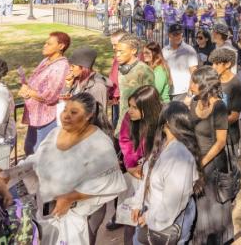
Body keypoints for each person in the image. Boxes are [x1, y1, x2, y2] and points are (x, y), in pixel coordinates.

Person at [24, 92, 126, 245]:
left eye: (73, 112)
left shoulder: (99, 143)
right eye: (65, 110)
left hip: (84, 214)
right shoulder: (55, 133)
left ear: (88, 116)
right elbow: (37, 159)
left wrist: (70, 197)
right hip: (51, 212)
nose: (65, 116)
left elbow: (109, 179)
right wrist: (9, 174)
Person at [130, 102, 200, 245]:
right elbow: (147, 178)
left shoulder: (180, 155)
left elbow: (173, 202)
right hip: (155, 212)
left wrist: (149, 217)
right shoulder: (163, 143)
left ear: (166, 121)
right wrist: (137, 203)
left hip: (168, 220)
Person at [188, 66, 234, 244]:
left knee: (214, 209)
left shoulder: (219, 106)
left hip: (213, 165)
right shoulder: (193, 101)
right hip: (197, 161)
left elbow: (221, 142)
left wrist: (202, 163)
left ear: (205, 85)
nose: (191, 84)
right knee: (200, 207)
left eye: (194, 81)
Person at [117, 85, 162, 244]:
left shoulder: (162, 121)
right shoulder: (129, 119)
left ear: (148, 108)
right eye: (129, 106)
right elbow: (125, 141)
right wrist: (130, 165)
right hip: (133, 173)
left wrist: (147, 168)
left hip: (153, 176)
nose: (130, 110)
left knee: (149, 217)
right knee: (130, 217)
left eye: (135, 108)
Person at [21, 31, 71, 155]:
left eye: (49, 44)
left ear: (61, 46)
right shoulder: (45, 61)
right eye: (45, 43)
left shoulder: (61, 66)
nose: (45, 45)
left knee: (41, 152)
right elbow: (35, 83)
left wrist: (30, 92)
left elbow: (51, 96)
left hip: (47, 118)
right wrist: (26, 88)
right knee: (29, 148)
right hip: (35, 116)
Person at [116, 35, 156, 134]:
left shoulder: (144, 70)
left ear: (133, 51)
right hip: (122, 122)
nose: (117, 55)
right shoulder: (121, 69)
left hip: (138, 126)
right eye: (116, 51)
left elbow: (151, 101)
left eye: (121, 51)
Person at [210, 47, 241, 153]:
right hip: (213, 137)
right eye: (213, 63)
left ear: (228, 64)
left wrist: (213, 124)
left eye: (217, 63)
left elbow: (234, 116)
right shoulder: (214, 80)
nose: (213, 67)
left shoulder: (236, 85)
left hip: (229, 140)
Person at [65, 47, 110, 111]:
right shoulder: (76, 81)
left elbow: (99, 115)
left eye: (73, 66)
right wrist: (68, 87)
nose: (70, 69)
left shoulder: (98, 87)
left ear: (83, 68)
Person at [163, 23, 199, 101]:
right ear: (169, 35)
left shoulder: (189, 50)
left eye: (180, 34)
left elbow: (194, 72)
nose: (178, 36)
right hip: (168, 92)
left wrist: (190, 93)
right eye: (175, 34)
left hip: (183, 92)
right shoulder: (164, 50)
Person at [108, 30, 126, 130]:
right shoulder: (117, 56)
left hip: (122, 99)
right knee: (115, 123)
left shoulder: (127, 59)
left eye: (115, 44)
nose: (113, 47)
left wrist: (117, 95)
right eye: (112, 45)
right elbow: (113, 76)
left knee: (121, 126)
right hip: (115, 97)